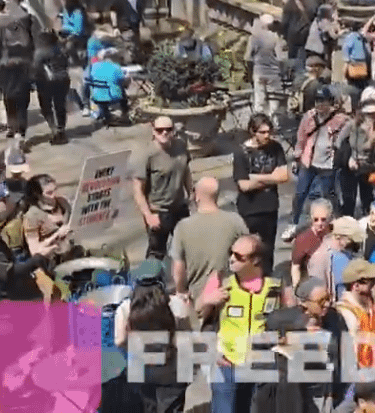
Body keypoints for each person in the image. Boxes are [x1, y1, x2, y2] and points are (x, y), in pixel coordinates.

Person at [197, 234, 289, 413]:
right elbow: (198, 310)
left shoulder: (274, 287)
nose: (232, 259)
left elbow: (289, 318)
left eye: (239, 256)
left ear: (255, 260)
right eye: (231, 253)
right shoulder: (221, 281)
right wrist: (209, 299)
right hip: (226, 363)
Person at [114, 260, 192, 413]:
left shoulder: (125, 308)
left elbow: (119, 341)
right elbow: (186, 339)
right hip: (171, 371)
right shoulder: (177, 305)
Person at [170, 177, 249, 307]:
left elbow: (179, 268)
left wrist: (181, 291)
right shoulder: (235, 221)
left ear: (197, 197)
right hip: (230, 294)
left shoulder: (183, 227)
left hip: (198, 299)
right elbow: (250, 252)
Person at [287, 85, 349, 240]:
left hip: (328, 164)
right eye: (318, 101)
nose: (321, 105)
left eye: (324, 101)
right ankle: (293, 223)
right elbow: (301, 137)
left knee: (330, 194)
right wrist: (297, 157)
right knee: (300, 193)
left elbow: (350, 125)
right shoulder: (309, 116)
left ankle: (336, 223)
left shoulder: (339, 119)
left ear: (330, 102)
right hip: (308, 161)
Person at [233, 113, 290, 273]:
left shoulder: (275, 148)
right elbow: (244, 185)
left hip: (270, 207)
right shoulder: (241, 152)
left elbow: (284, 176)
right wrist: (272, 177)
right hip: (249, 209)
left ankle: (267, 278)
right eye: (263, 132)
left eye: (269, 132)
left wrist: (256, 177)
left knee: (268, 249)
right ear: (253, 132)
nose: (267, 136)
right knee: (248, 249)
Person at [133, 115, 193, 261]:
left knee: (187, 249)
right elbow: (138, 190)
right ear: (153, 131)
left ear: (174, 131)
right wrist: (148, 216)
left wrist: (191, 195)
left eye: (168, 129)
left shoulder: (180, 146)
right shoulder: (145, 155)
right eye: (160, 130)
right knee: (156, 253)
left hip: (179, 208)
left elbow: (185, 171)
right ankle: (151, 281)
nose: (164, 133)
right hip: (158, 211)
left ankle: (184, 281)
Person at [33, 29, 72, 144]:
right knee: (60, 105)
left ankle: (54, 130)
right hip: (63, 79)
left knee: (46, 106)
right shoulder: (61, 50)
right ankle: (61, 129)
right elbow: (66, 64)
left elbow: (36, 68)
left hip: (47, 82)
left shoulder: (40, 52)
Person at [87, 46, 130, 123]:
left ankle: (106, 115)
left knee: (102, 89)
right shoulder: (116, 67)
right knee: (122, 89)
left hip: (96, 97)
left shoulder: (94, 66)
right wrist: (128, 79)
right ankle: (125, 113)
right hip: (113, 97)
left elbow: (89, 78)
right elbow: (123, 81)